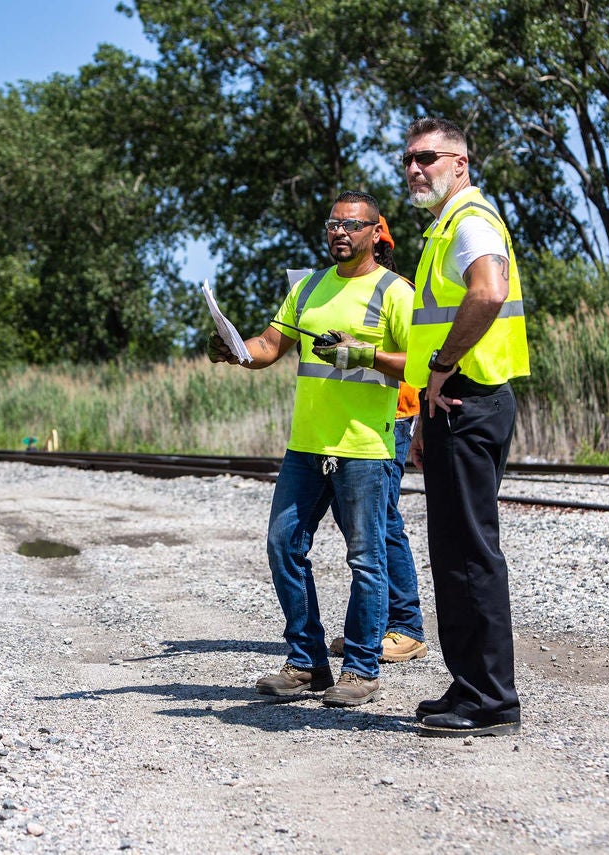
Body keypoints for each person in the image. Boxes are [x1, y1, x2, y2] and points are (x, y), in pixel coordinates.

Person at [209, 190, 412, 707]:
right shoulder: (308, 288)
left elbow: (420, 361)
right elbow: (270, 346)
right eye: (332, 224)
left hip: (364, 448)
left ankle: (362, 670)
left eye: (352, 225)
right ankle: (307, 664)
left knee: (366, 560)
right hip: (306, 445)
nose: (339, 232)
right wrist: (236, 352)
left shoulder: (395, 291)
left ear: (374, 232)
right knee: (283, 547)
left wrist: (360, 353)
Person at [401, 117, 530, 738]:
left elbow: (489, 292)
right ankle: (468, 682)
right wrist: (426, 411)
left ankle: (491, 700)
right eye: (408, 159)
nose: (415, 168)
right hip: (451, 404)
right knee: (451, 551)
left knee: (470, 552)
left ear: (460, 163)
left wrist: (443, 368)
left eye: (427, 157)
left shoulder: (470, 221)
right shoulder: (444, 227)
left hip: (469, 398)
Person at [328, 215, 427, 664]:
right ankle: (377, 625)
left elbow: (417, 360)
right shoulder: (346, 287)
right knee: (367, 523)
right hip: (368, 420)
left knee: (383, 522)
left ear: (378, 242)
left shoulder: (395, 289)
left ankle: (405, 627)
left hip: (397, 415)